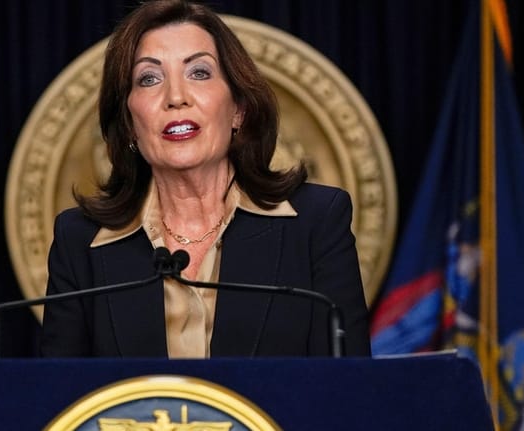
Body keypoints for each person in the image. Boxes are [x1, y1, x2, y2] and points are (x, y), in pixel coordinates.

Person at [40, 0, 370, 358]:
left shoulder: (317, 222)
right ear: (130, 124)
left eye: (199, 72)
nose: (176, 97)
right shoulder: (79, 242)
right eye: (149, 78)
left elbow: (348, 395)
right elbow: (62, 404)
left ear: (239, 109)